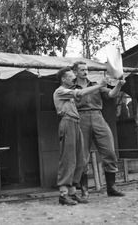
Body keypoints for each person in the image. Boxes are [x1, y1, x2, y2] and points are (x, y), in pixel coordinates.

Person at [53, 66, 108, 205]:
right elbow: (81, 93)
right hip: (67, 123)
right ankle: (63, 194)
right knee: (68, 158)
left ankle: (72, 193)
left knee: (79, 159)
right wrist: (99, 86)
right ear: (63, 79)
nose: (74, 78)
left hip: (76, 123)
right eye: (71, 77)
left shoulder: (68, 91)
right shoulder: (60, 91)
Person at [72, 61, 126, 200]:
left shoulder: (95, 84)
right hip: (81, 117)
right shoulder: (71, 87)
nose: (85, 72)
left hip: (98, 116)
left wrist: (119, 84)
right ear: (75, 72)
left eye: (86, 69)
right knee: (82, 157)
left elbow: (112, 94)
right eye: (82, 70)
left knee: (109, 152)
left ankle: (111, 188)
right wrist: (100, 85)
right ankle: (84, 191)